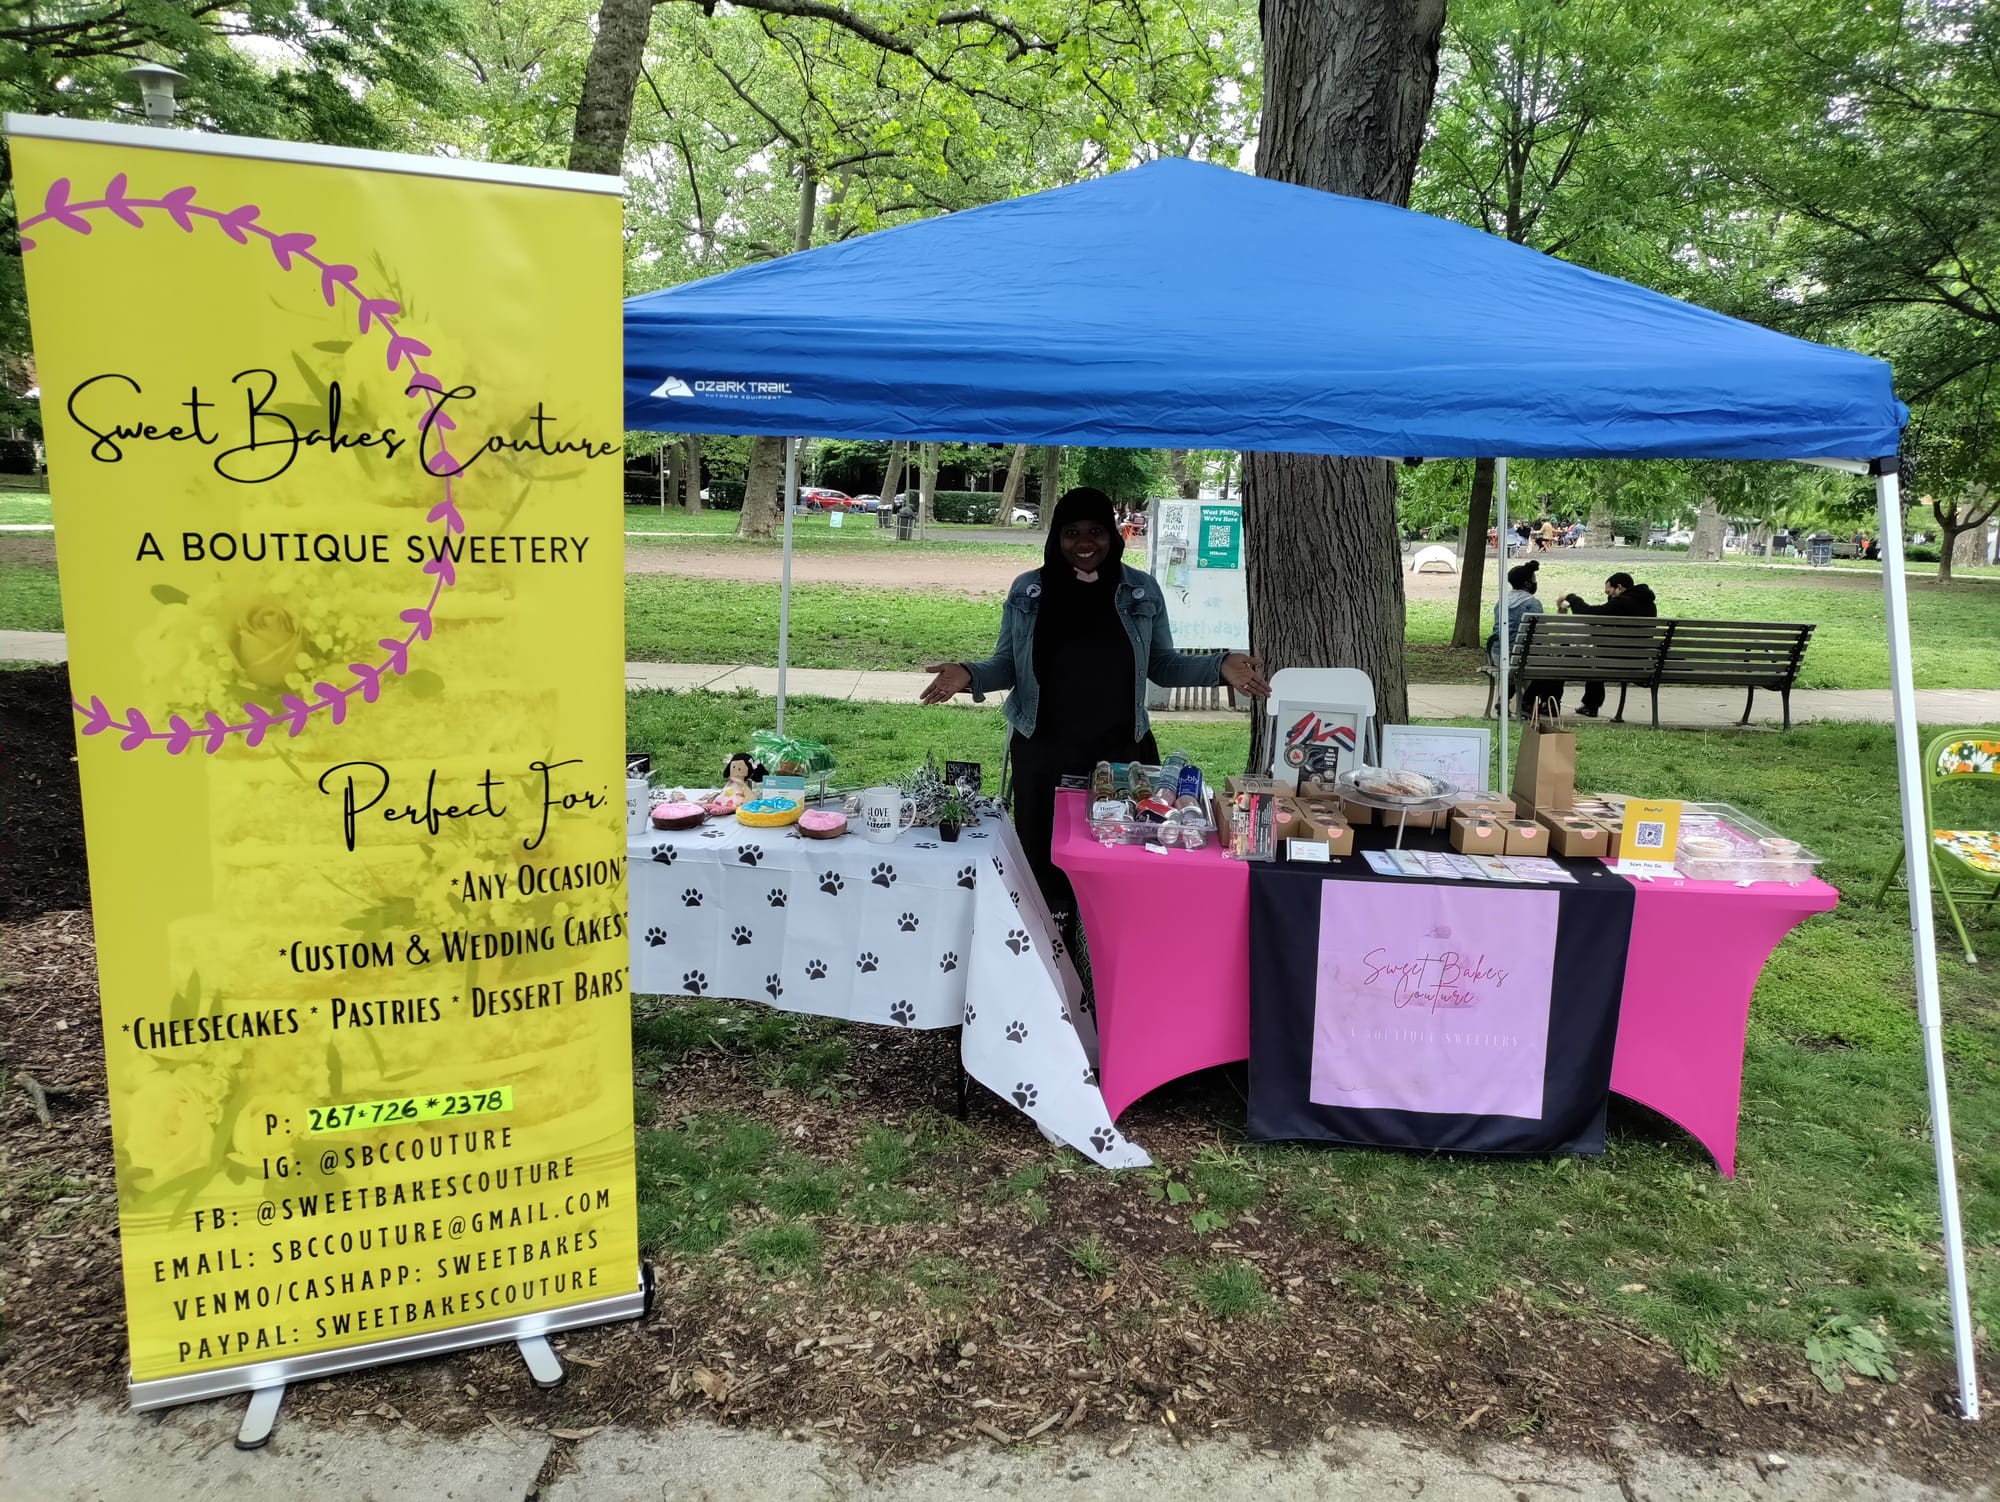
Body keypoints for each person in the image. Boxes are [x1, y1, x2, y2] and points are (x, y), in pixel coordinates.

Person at [919, 487, 1269, 914]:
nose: (1084, 543)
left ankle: (1105, 946)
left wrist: (1219, 666)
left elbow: (1163, 664)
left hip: (1122, 756)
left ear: (1113, 535)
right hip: (1044, 749)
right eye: (1071, 532)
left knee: (1119, 861)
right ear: (1056, 537)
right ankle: (1051, 947)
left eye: (1096, 531)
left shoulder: (1140, 591)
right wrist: (970, 673)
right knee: (1044, 867)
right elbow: (1008, 663)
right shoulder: (1029, 591)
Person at [1559, 571, 1658, 718]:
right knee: (1598, 654)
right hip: (1640, 661)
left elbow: (1588, 613)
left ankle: (1590, 705)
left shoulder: (1622, 602)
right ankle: (1590, 704)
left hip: (1616, 660)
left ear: (1619, 587)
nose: (1609, 596)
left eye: (1609, 592)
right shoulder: (1650, 605)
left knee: (1579, 655)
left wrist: (1571, 598)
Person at [1490, 559, 1558, 715]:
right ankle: (1529, 702)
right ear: (1528, 584)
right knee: (1538, 662)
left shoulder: (1502, 601)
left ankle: (1505, 699)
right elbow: (1540, 634)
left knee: (1518, 664)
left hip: (1497, 654)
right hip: (1521, 656)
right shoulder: (1532, 603)